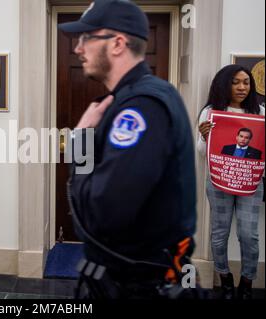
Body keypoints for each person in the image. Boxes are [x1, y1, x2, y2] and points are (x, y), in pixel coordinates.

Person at [58, 0, 197, 299]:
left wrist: (80, 140)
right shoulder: (135, 97)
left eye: (86, 38)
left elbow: (101, 216)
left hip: (139, 286)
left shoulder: (142, 107)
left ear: (118, 43)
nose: (78, 48)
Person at [198, 64, 265, 300]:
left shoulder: (261, 111)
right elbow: (201, 151)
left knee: (249, 234)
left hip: (250, 183)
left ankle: (246, 283)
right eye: (235, 82)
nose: (241, 87)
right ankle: (225, 280)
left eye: (246, 82)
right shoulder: (211, 111)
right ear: (224, 84)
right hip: (218, 181)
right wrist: (205, 137)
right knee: (219, 233)